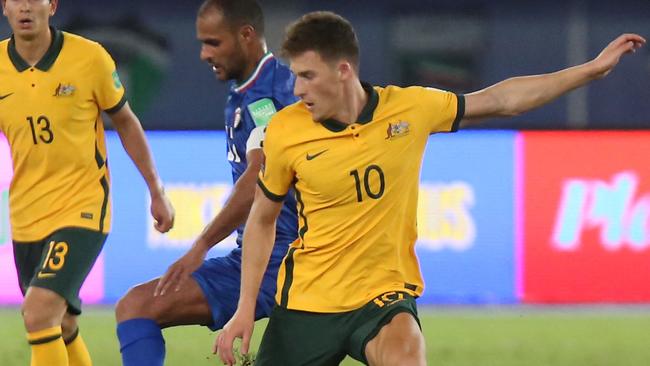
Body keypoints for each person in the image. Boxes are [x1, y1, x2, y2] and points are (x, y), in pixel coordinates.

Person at [214, 10, 646, 366]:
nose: (297, 88)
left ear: (343, 70)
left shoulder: (410, 109)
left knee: (408, 358)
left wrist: (590, 71)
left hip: (382, 297)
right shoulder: (286, 131)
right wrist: (246, 308)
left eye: (307, 75)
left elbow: (501, 100)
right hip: (309, 301)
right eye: (295, 76)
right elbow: (263, 220)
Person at [114, 1, 298, 365]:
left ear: (246, 35)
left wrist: (200, 245)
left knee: (136, 307)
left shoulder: (270, 93)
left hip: (285, 260)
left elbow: (259, 176)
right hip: (252, 258)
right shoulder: (244, 91)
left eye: (213, 43)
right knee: (135, 307)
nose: (203, 53)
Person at [0, 0, 175, 365]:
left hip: (83, 206)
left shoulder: (89, 57)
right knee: (60, 323)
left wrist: (156, 189)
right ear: (5, 8)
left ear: (52, 5)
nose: (25, 7)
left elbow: (125, 121)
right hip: (26, 213)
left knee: (38, 312)